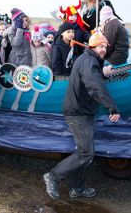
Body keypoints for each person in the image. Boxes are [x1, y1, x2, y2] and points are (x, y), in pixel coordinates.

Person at [43, 32, 120, 199]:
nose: (103, 50)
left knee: (83, 152)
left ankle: (77, 188)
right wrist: (112, 107)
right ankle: (53, 177)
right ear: (92, 46)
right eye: (100, 46)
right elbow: (94, 86)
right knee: (86, 153)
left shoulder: (89, 60)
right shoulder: (89, 62)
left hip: (82, 110)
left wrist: (102, 72)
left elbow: (92, 79)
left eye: (105, 47)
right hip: (78, 112)